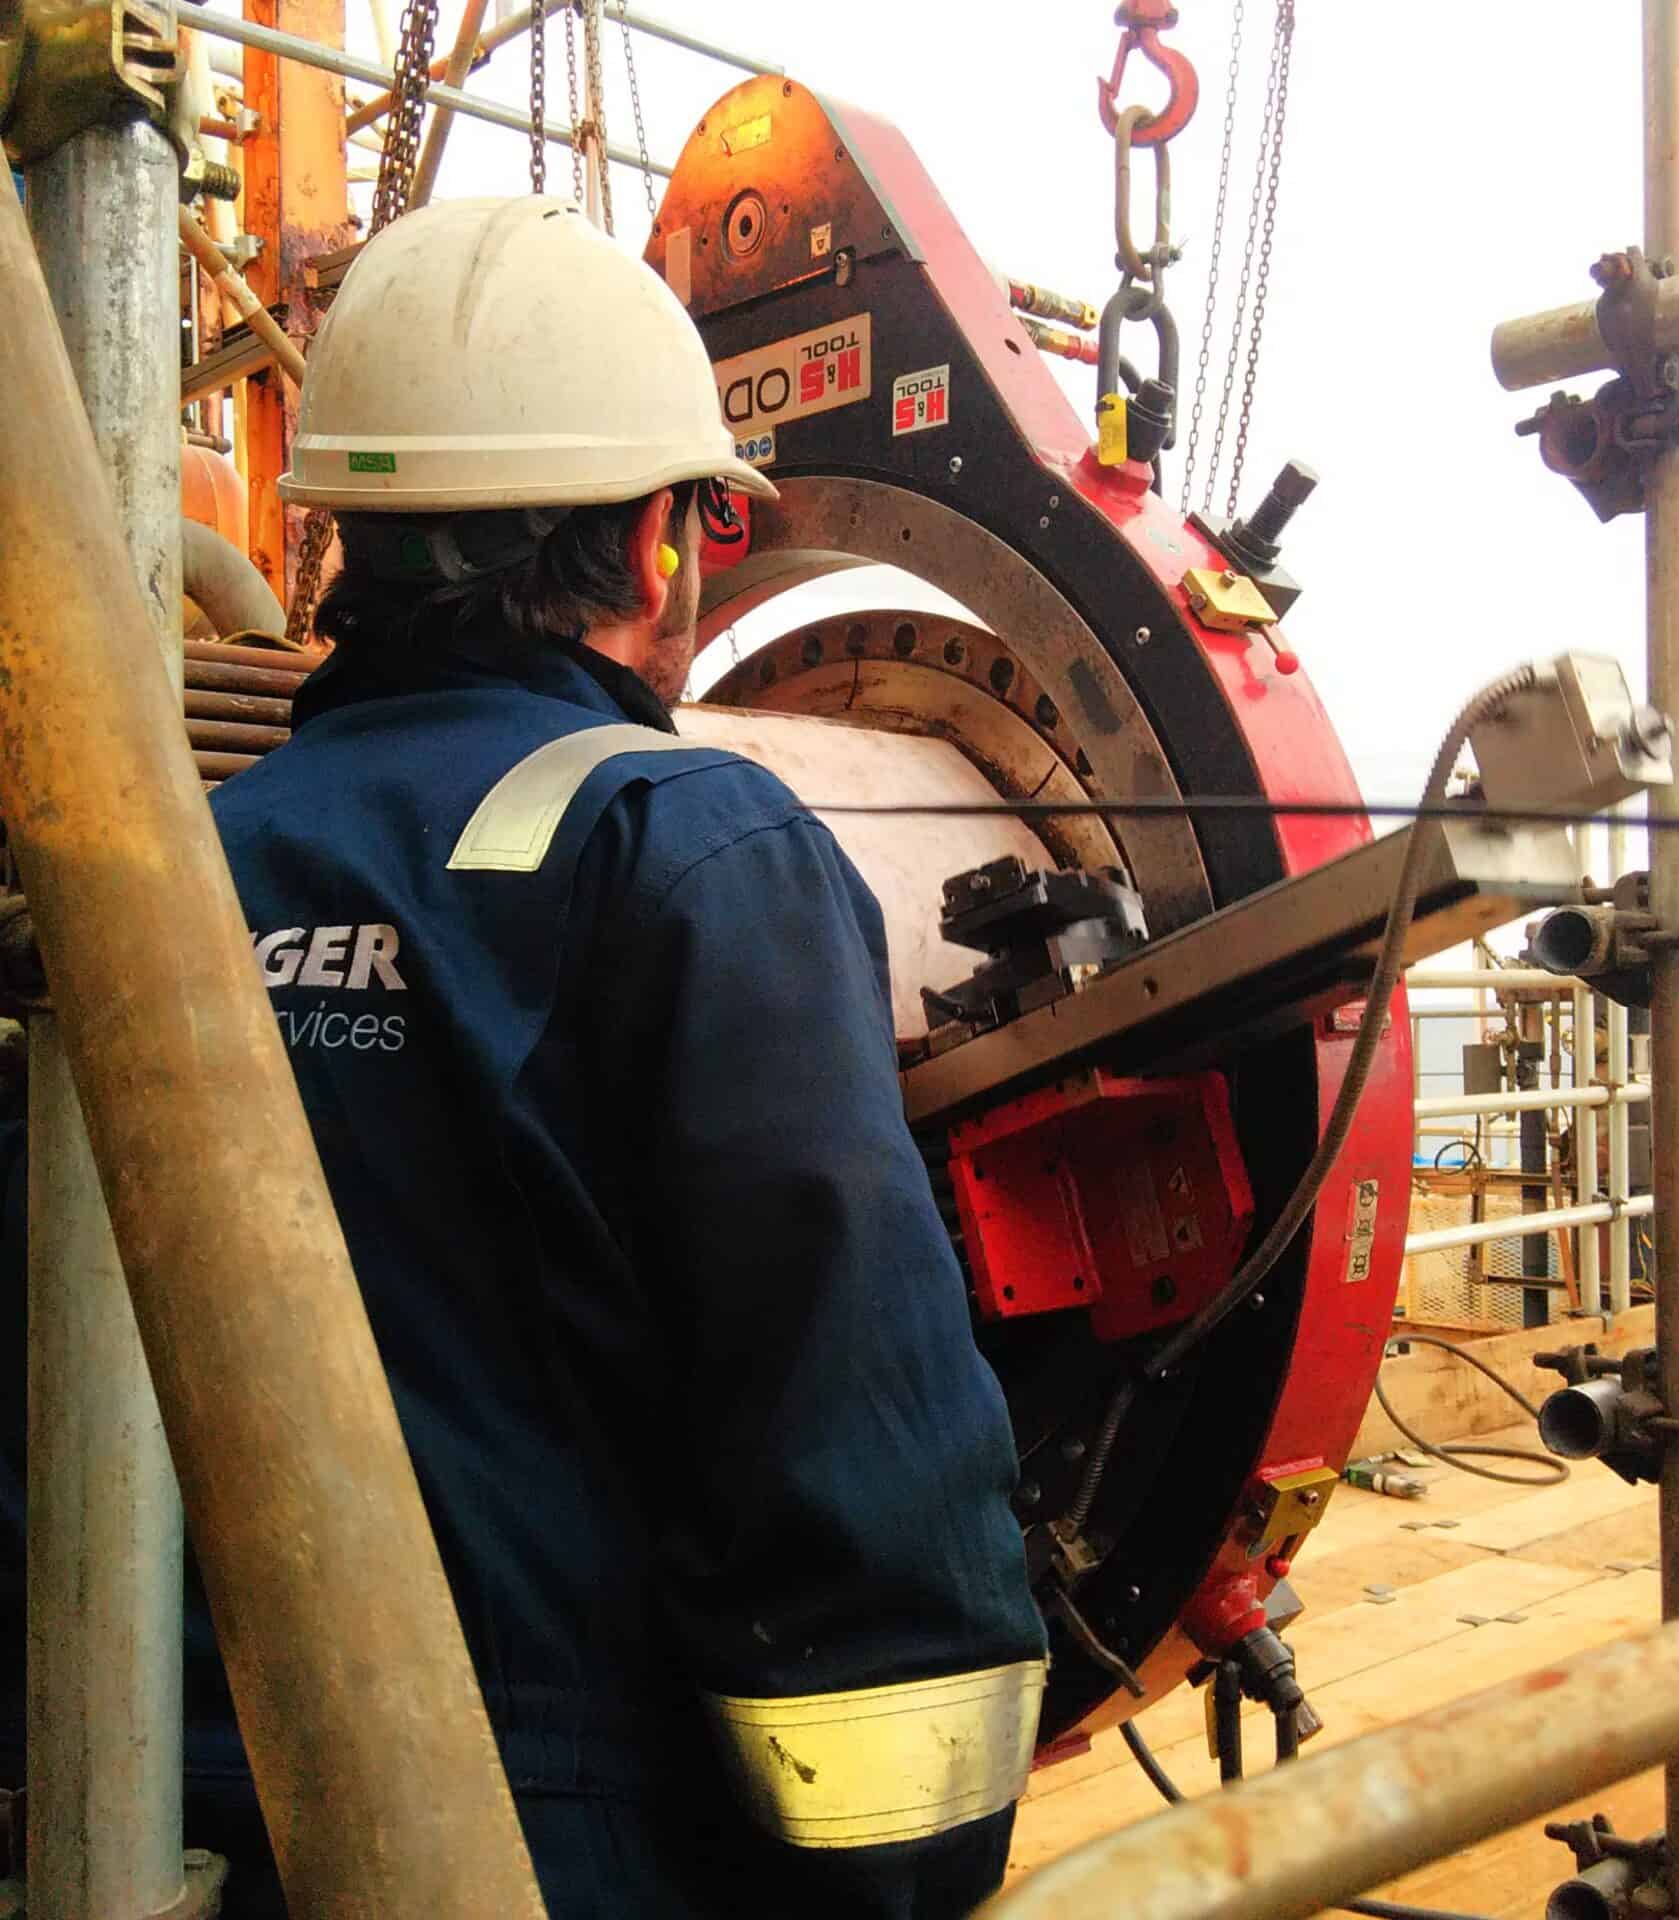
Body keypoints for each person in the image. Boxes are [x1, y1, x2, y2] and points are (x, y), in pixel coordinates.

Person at [0, 196, 1046, 1917]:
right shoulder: (687, 846)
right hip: (545, 1842)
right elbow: (851, 1459)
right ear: (661, 547)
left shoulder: (169, 866)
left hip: (134, 1826)